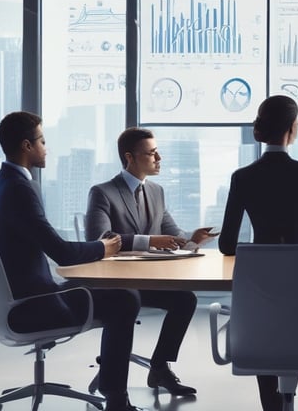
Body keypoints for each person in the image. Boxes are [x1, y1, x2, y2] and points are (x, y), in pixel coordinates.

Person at [0, 111, 145, 411]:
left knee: (113, 293)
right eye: (42, 141)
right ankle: (116, 399)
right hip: (32, 306)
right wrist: (103, 248)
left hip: (15, 298)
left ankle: (111, 387)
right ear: (26, 146)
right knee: (126, 298)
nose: (46, 148)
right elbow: (61, 252)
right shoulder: (20, 189)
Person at [218, 94, 298, 411]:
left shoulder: (242, 177)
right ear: (292, 128)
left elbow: (227, 245)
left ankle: (272, 406)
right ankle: (288, 399)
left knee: (266, 329)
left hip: (258, 288)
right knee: (290, 329)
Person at [85, 126, 216, 397]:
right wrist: (149, 240)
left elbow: (172, 234)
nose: (159, 158)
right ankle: (113, 377)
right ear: (129, 157)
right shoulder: (103, 192)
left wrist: (192, 240)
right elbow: (99, 237)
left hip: (144, 279)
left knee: (185, 299)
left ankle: (159, 368)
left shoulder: (156, 191)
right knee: (127, 300)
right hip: (115, 283)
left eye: (158, 152)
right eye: (152, 153)